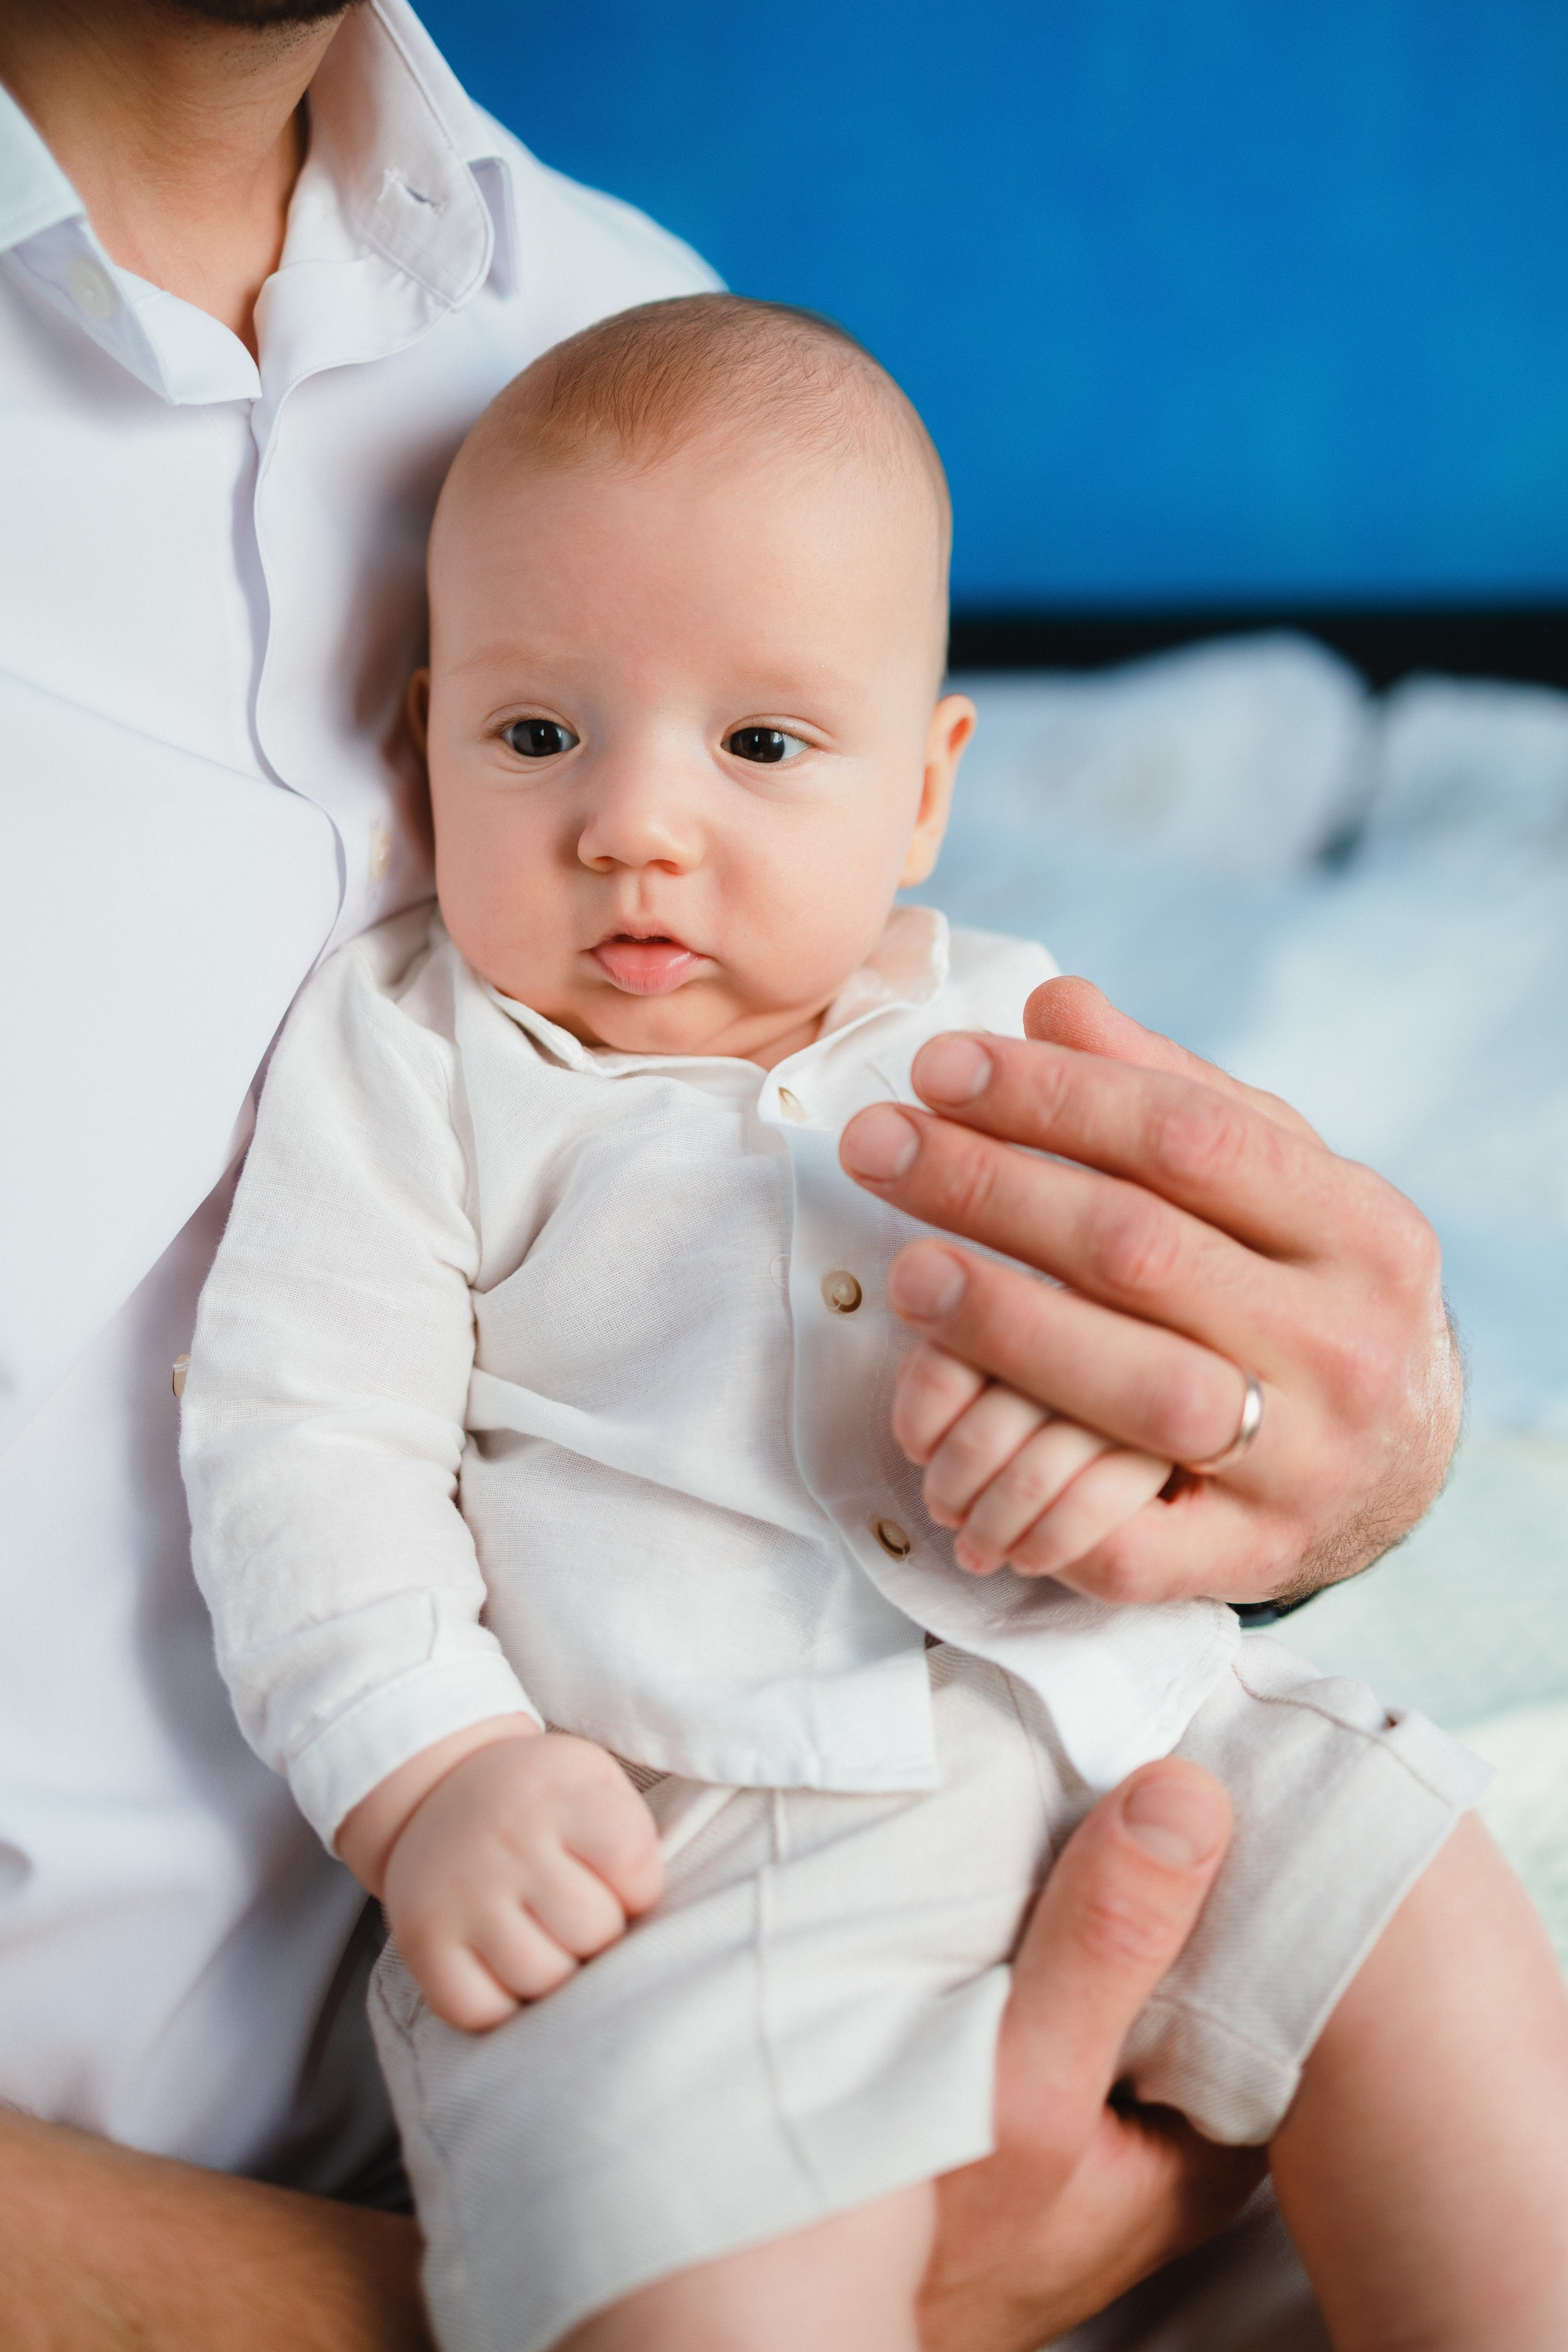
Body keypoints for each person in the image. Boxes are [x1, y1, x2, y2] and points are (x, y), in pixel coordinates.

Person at [0, 2, 1469, 2343]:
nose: (639, 829)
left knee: (1457, 1942)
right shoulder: (419, 1060)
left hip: (1112, 1754)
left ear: (925, 786)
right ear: (428, 733)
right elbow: (306, 1432)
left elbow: (1225, 1362)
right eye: (536, 735)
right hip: (658, 1891)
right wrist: (431, 1770)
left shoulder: (605, 327)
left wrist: (1298, 1444)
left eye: (765, 741)